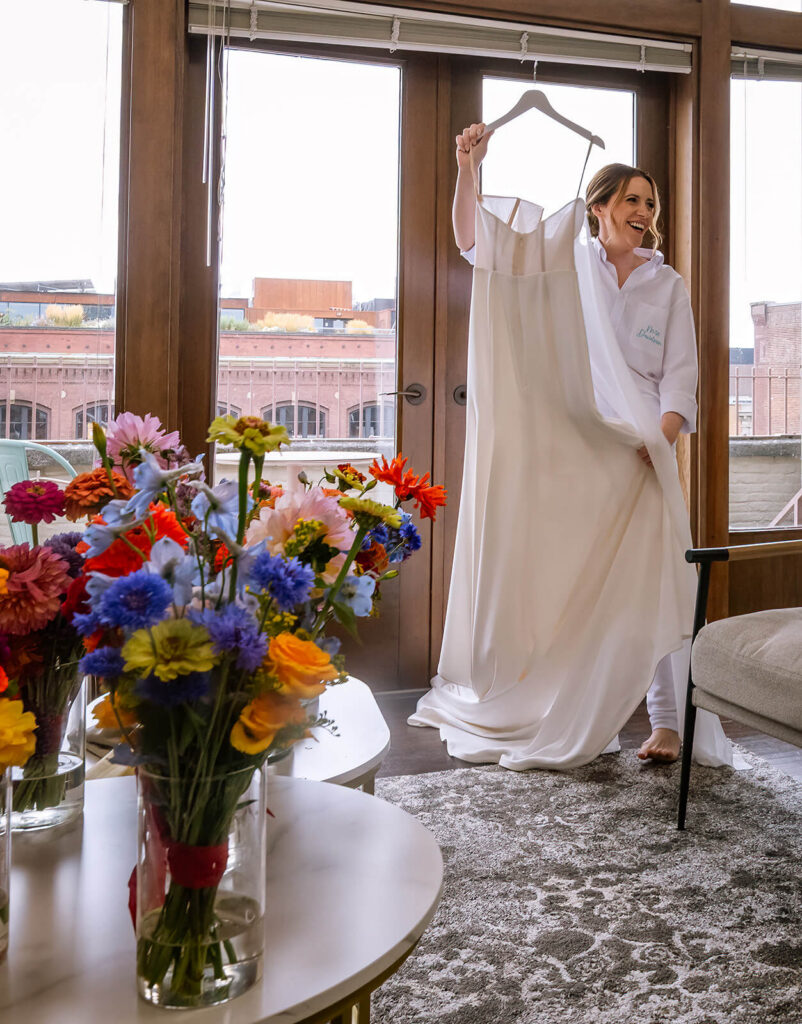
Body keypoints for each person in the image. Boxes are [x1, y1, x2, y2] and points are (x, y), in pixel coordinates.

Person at [451, 122, 699, 764]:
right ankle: (563, 704)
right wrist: (467, 170)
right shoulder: (564, 261)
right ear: (600, 207)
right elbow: (476, 244)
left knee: (661, 573)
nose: (644, 212)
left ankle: (667, 722)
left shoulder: (666, 286)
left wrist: (663, 436)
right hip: (579, 443)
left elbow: (680, 374)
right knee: (580, 577)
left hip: (645, 448)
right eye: (633, 200)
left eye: (651, 203)